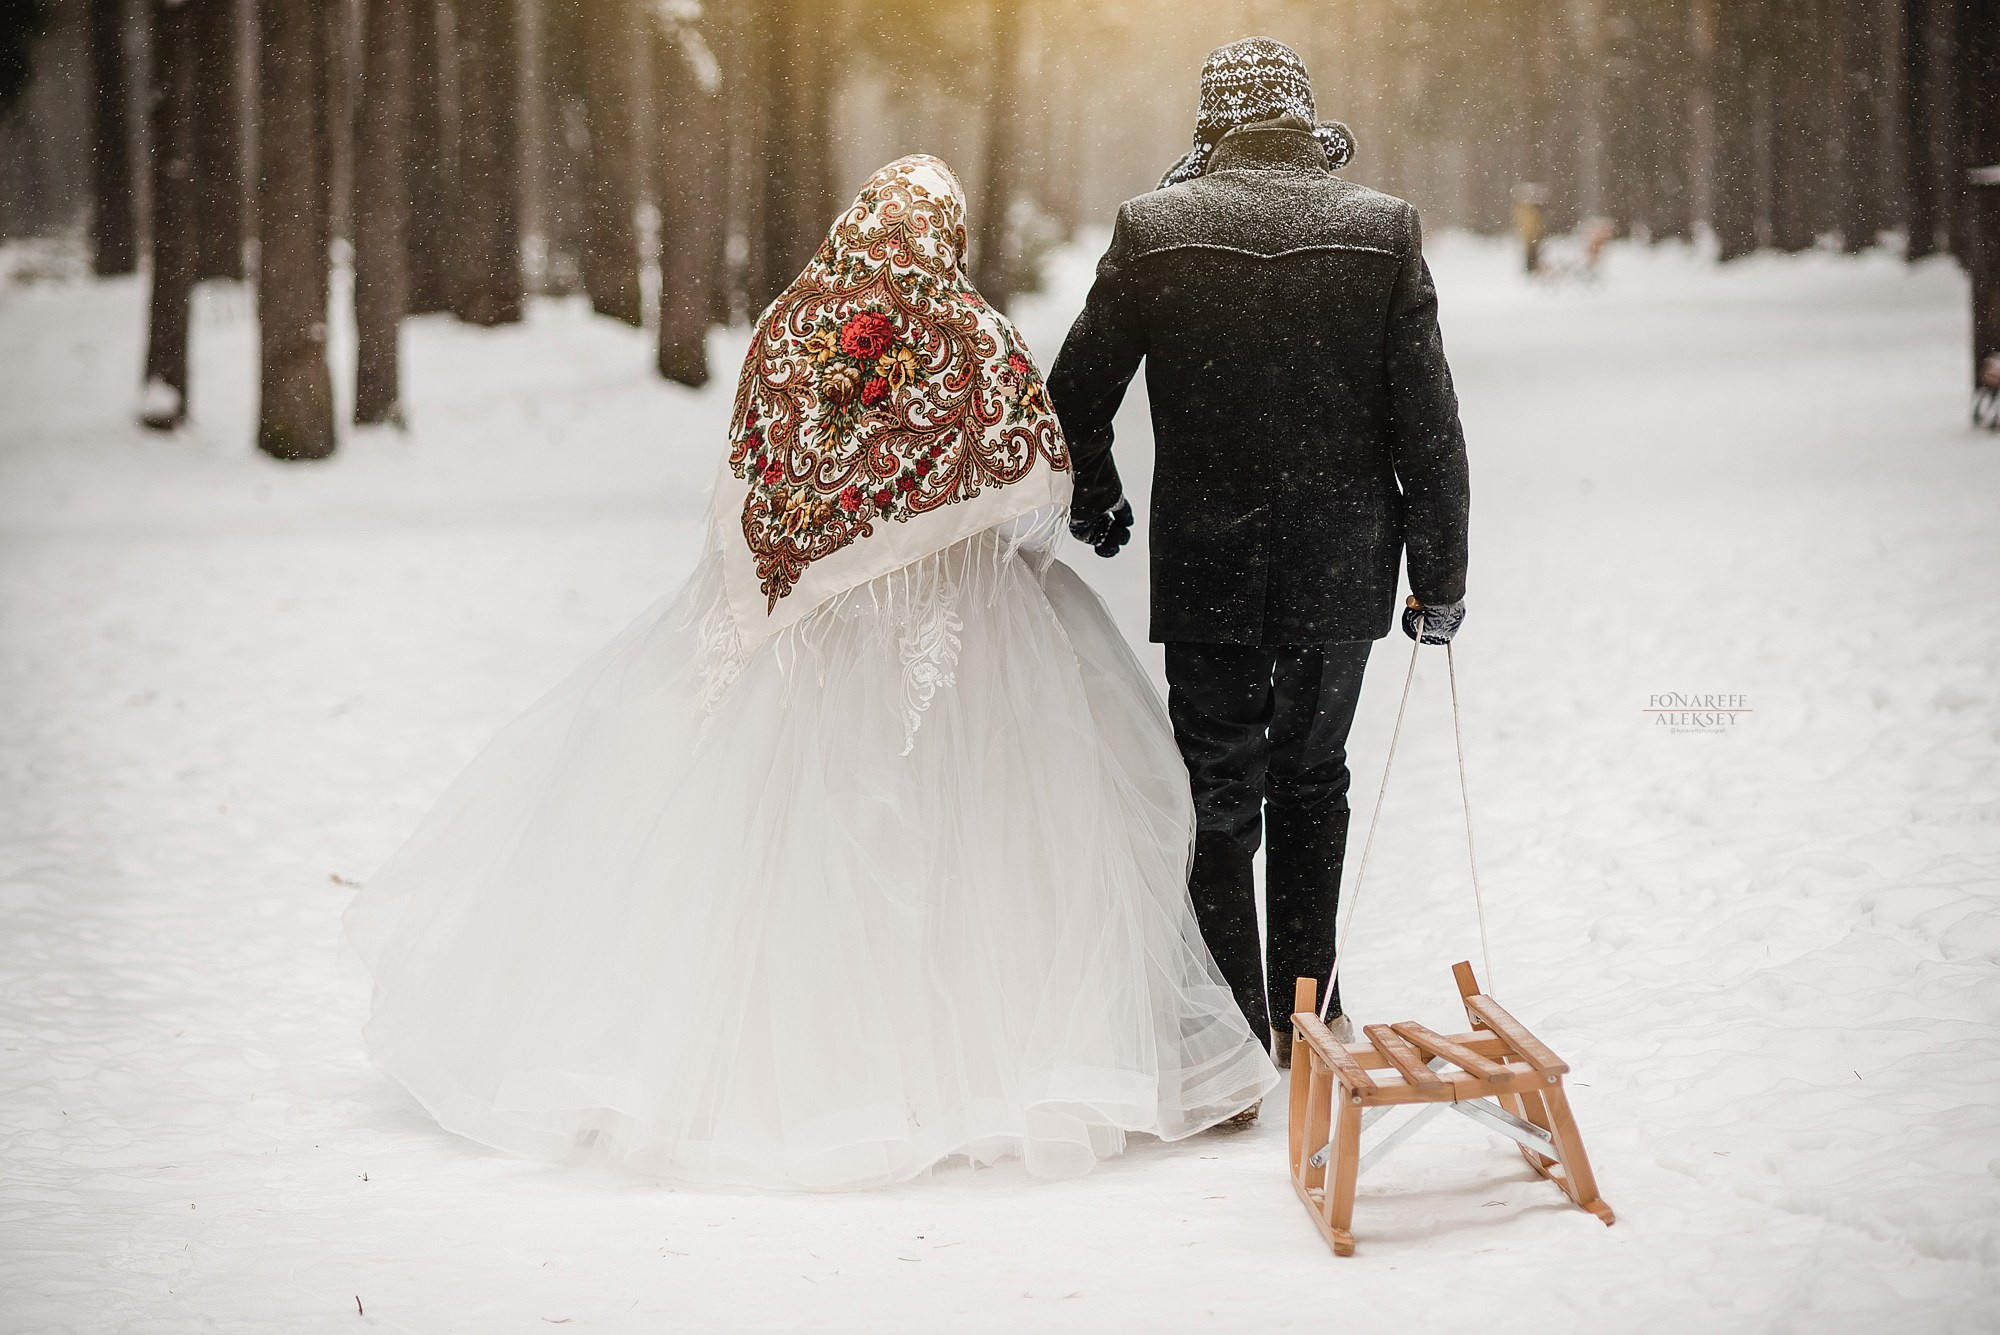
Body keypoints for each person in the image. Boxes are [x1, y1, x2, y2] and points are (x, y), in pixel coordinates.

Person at [344, 155, 1276, 1192]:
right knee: (983, 841)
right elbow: (1032, 475)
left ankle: (772, 1050)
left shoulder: (792, 322)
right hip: (952, 632)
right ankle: (983, 1052)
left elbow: (754, 473)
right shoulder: (966, 327)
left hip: (799, 640)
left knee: (775, 831)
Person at [1048, 38, 1472, 1068]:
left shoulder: (1154, 230)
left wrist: (1097, 504)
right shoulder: (1379, 231)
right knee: (1312, 779)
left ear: (1211, 124)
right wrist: (1438, 574)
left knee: (1216, 785)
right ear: (1300, 117)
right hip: (1342, 559)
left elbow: (1072, 397)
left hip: (1206, 565)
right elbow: (1428, 422)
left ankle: (1228, 1026)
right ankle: (1306, 1006)